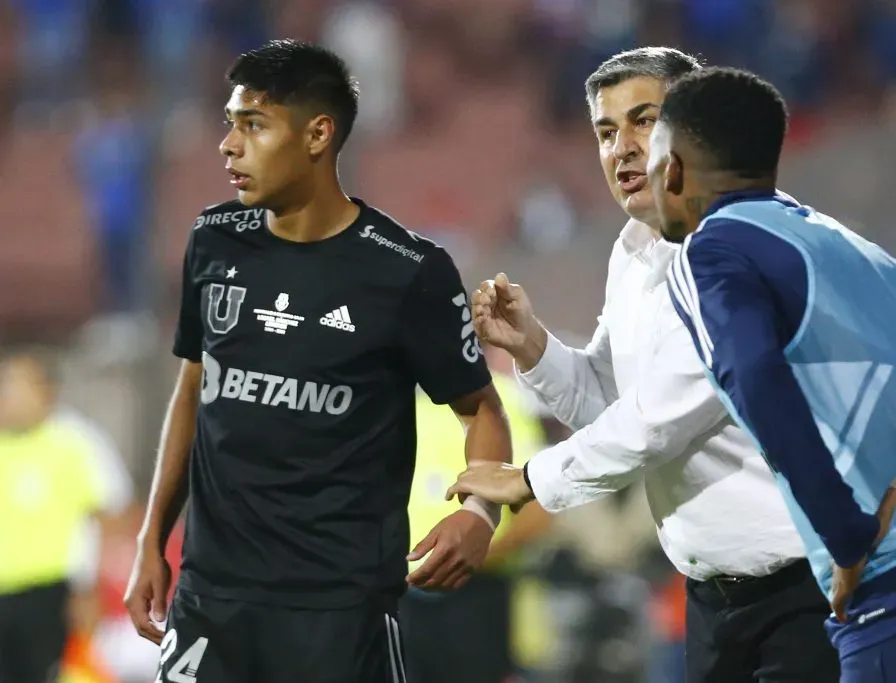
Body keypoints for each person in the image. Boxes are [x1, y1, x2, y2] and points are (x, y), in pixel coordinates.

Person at [122, 40, 513, 683]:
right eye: (230, 122)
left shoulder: (407, 271)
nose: (228, 144)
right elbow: (193, 389)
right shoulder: (213, 239)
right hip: (210, 600)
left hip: (340, 611)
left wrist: (479, 511)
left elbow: (482, 410)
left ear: (317, 134)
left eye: (253, 124)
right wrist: (151, 541)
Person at [447, 48, 839, 683]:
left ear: (696, 127)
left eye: (644, 121)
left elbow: (657, 424)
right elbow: (612, 405)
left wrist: (531, 479)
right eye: (606, 132)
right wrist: (534, 347)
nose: (622, 148)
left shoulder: (741, 248)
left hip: (808, 589)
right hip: (714, 599)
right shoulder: (633, 252)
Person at [646, 67, 896, 682]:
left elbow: (755, 377)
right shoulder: (853, 249)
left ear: (675, 168)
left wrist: (849, 538)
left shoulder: (708, 253)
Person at [401, 348, 551, 683]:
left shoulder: (495, 400)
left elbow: (540, 504)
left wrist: (478, 556)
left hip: (476, 593)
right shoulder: (400, 402)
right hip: (403, 596)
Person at [0, 350, 108, 683]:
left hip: (49, 596)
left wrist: (88, 590)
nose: (8, 395)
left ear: (46, 391)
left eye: (17, 384)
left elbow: (104, 519)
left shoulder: (73, 442)